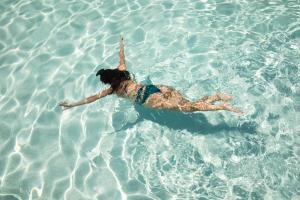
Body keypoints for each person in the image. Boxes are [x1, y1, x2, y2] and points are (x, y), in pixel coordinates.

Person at [59, 36, 241, 113]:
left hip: (146, 99)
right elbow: (122, 56)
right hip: (155, 88)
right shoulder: (122, 71)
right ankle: (215, 97)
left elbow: (90, 99)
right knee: (188, 103)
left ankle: (222, 106)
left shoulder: (112, 90)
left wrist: (72, 104)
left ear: (107, 81)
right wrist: (121, 41)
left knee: (188, 108)